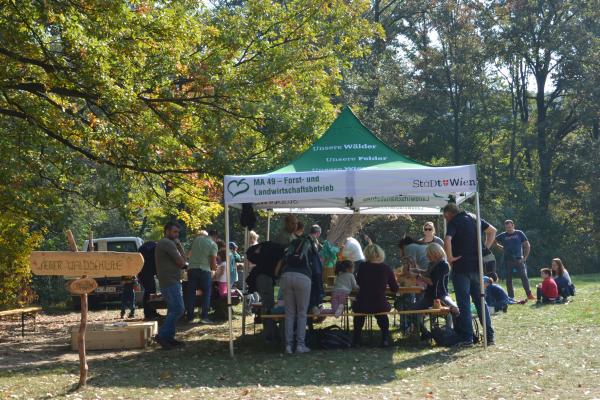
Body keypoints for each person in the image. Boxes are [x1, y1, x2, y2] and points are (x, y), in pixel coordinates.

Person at [443, 203, 496, 346]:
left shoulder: (454, 221)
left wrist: (450, 258)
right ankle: (489, 336)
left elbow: (447, 240)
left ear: (449, 214)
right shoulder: (473, 217)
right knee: (480, 301)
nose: (446, 220)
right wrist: (483, 249)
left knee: (464, 303)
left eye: (445, 217)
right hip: (477, 267)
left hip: (461, 268)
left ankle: (467, 338)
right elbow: (492, 231)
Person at [352, 244, 399, 348]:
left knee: (359, 316)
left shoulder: (362, 267)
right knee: (382, 315)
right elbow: (394, 289)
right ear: (381, 254)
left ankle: (356, 340)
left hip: (362, 303)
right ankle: (385, 338)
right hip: (379, 303)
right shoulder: (386, 268)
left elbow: (358, 283)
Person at [409, 244, 459, 338]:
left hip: (441, 295)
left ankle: (452, 332)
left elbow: (432, 282)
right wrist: (417, 270)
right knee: (411, 311)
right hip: (429, 295)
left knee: (455, 309)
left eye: (429, 254)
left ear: (435, 254)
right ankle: (426, 333)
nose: (427, 257)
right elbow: (428, 273)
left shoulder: (444, 265)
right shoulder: (432, 263)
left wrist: (417, 276)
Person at [154, 221, 187, 349]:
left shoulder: (172, 243)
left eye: (178, 232)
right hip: (169, 281)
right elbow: (181, 263)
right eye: (174, 232)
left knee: (173, 310)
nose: (176, 234)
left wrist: (179, 245)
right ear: (166, 231)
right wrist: (179, 247)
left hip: (172, 280)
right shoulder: (166, 242)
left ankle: (169, 338)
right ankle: (162, 336)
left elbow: (183, 260)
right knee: (178, 309)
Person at [245, 241, 286, 342]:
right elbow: (277, 270)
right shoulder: (280, 250)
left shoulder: (266, 246)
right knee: (269, 306)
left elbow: (249, 254)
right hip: (266, 278)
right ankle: (271, 335)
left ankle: (272, 333)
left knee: (268, 306)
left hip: (262, 277)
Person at [280, 236, 315, 354]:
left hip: (286, 276)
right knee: (302, 313)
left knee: (289, 313)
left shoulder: (290, 249)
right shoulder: (309, 249)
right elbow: (315, 267)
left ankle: (288, 346)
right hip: (303, 278)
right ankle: (300, 345)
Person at [495, 220, 534, 301]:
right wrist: (500, 247)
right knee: (508, 279)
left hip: (519, 259)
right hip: (508, 260)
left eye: (509, 227)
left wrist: (525, 257)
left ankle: (529, 295)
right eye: (506, 228)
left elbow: (527, 245)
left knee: (524, 277)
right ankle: (511, 297)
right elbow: (494, 240)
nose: (508, 229)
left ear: (513, 226)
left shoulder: (519, 233)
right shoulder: (503, 235)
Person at [186, 230, 218, 324]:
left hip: (192, 269)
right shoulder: (213, 244)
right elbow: (213, 263)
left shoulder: (197, 239)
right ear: (215, 237)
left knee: (191, 294)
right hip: (205, 270)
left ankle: (190, 317)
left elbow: (190, 254)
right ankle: (204, 317)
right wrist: (215, 268)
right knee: (206, 294)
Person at [138, 240, 161, 320]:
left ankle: (151, 312)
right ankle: (148, 313)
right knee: (150, 291)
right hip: (145, 272)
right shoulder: (155, 248)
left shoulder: (151, 247)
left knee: (151, 291)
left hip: (143, 272)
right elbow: (155, 263)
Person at [308, 225, 325, 315]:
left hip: (310, 270)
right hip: (314, 271)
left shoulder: (308, 239)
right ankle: (316, 307)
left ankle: (315, 306)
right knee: (316, 290)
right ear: (318, 233)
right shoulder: (312, 240)